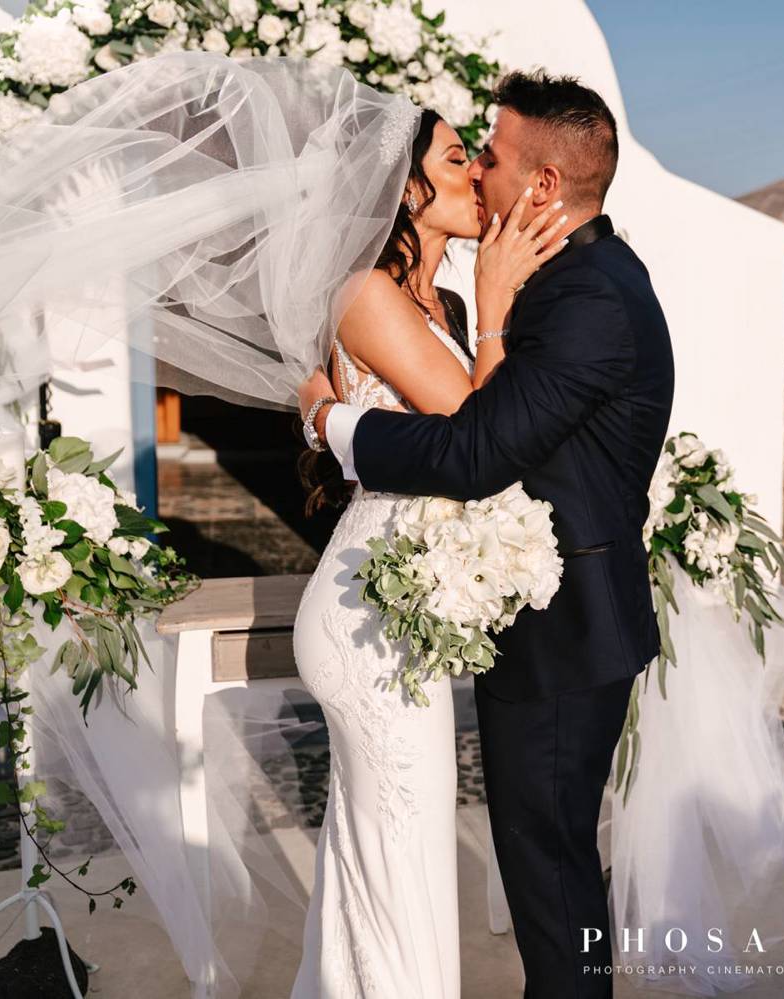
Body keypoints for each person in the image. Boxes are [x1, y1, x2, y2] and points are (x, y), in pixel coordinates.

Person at [298, 69, 676, 999]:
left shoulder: (583, 297)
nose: (478, 172)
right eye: (462, 157)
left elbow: (474, 451)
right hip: (481, 614)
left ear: (543, 185)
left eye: (490, 155)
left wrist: (332, 424)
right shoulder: (566, 281)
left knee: (546, 873)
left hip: (565, 632)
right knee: (514, 863)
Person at [287, 106, 572, 998]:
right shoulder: (367, 294)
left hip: (403, 604)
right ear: (404, 189)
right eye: (457, 159)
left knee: (377, 854)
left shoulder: (434, 304)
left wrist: (480, 305)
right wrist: (497, 305)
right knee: (401, 853)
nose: (478, 173)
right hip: (365, 613)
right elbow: (480, 436)